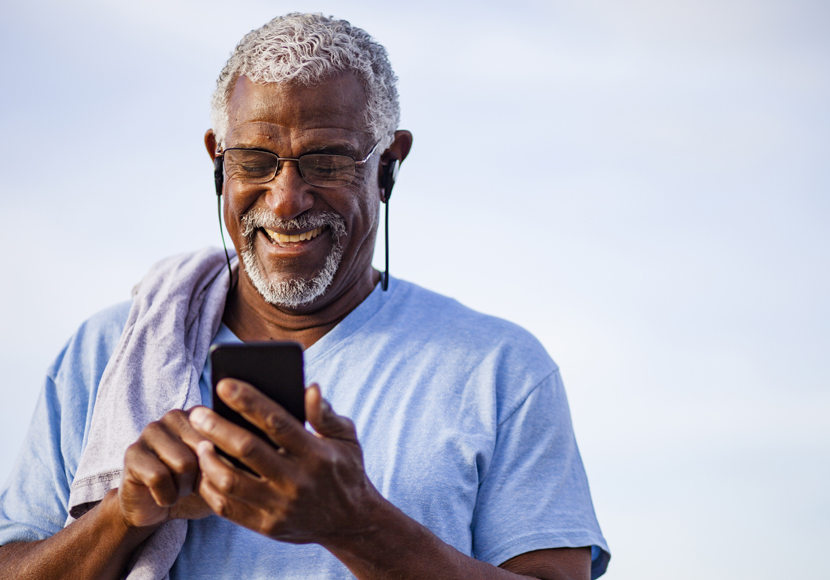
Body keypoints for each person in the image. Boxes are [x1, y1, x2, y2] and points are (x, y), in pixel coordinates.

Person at [0, 12, 609, 580]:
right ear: (218, 163)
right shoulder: (109, 353)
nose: (287, 198)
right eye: (256, 161)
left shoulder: (497, 368)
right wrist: (123, 515)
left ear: (389, 165)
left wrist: (358, 524)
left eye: (327, 161)